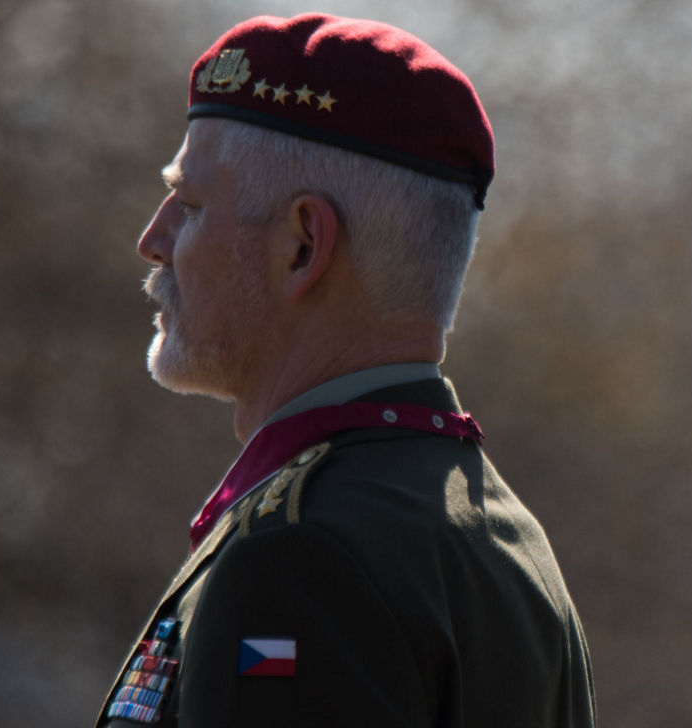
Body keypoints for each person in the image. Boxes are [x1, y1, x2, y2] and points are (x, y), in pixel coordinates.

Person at [94, 13, 595, 727]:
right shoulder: (508, 541)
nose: (153, 240)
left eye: (192, 203)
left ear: (303, 245)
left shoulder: (299, 558)